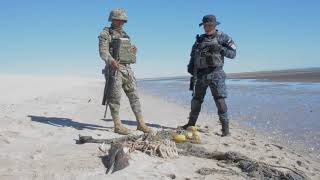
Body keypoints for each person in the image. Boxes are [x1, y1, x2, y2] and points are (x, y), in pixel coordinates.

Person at [98, 8, 152, 135]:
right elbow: (103, 52)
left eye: (123, 21)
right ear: (113, 19)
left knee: (134, 97)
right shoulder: (106, 34)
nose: (121, 23)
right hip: (114, 70)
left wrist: (133, 51)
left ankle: (141, 124)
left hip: (127, 69)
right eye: (119, 20)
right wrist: (112, 61)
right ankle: (117, 125)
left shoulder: (125, 35)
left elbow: (129, 56)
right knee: (115, 98)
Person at [181, 15, 237, 137]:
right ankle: (190, 124)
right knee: (196, 101)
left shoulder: (223, 37)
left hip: (216, 74)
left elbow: (233, 54)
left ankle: (225, 130)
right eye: (205, 25)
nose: (207, 28)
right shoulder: (199, 39)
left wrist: (221, 49)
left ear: (215, 25)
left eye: (210, 25)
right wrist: (190, 67)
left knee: (220, 101)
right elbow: (193, 55)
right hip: (200, 75)